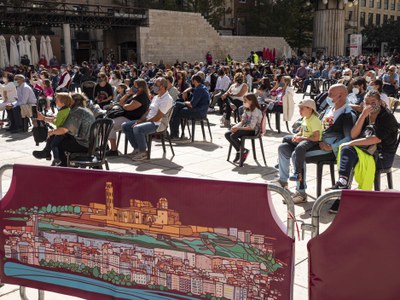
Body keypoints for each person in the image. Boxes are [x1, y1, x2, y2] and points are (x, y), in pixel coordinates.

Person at [329, 90, 398, 212]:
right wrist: (362, 116)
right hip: (366, 151)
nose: (370, 105)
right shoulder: (366, 115)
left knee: (348, 151)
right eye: (367, 102)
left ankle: (342, 192)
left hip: (382, 155)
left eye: (373, 102)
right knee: (348, 152)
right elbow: (354, 134)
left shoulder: (387, 117)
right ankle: (344, 187)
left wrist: (351, 143)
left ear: (380, 102)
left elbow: (376, 139)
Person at [273, 100, 322, 203]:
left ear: (310, 109)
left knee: (298, 151)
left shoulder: (315, 120)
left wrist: (302, 138)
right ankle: (283, 180)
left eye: (302, 108)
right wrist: (297, 136)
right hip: (304, 139)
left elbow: (316, 137)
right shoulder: (305, 118)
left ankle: (300, 189)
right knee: (284, 145)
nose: (299, 111)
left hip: (311, 142)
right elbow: (302, 130)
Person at [122, 77, 173, 161]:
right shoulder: (156, 97)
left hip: (158, 124)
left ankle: (143, 152)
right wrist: (140, 120)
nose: (154, 86)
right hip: (149, 120)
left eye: (156, 85)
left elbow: (157, 118)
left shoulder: (167, 99)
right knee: (125, 126)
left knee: (137, 128)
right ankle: (137, 148)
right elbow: (148, 111)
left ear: (163, 87)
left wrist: (142, 122)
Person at [106, 79, 151, 156]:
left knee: (109, 125)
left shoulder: (142, 97)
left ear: (140, 87)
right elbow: (121, 102)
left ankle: (113, 150)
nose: (132, 87)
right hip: (126, 116)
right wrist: (127, 94)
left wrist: (123, 105)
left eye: (135, 86)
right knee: (106, 121)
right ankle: (106, 146)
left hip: (132, 118)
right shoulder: (135, 94)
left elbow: (129, 108)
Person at [33, 93, 71, 166]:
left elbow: (57, 122)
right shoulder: (67, 109)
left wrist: (48, 119)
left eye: (57, 100)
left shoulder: (62, 111)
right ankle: (47, 153)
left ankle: (56, 159)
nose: (55, 101)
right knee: (51, 138)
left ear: (63, 103)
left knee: (54, 144)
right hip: (64, 132)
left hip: (62, 133)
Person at [225, 93, 262, 164]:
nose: (244, 102)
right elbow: (242, 122)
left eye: (246, 100)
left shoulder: (256, 111)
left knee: (233, 135)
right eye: (244, 100)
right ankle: (241, 151)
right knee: (227, 134)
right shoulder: (247, 109)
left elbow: (251, 127)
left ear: (252, 101)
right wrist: (235, 126)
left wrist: (239, 129)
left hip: (253, 130)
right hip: (246, 128)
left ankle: (242, 151)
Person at [169, 74, 210, 139]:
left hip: (198, 112)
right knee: (177, 105)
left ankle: (174, 134)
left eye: (192, 80)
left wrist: (185, 102)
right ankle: (174, 132)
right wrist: (186, 90)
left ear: (195, 81)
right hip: (201, 110)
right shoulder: (202, 87)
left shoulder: (199, 90)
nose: (191, 81)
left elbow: (191, 104)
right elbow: (193, 89)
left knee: (177, 112)